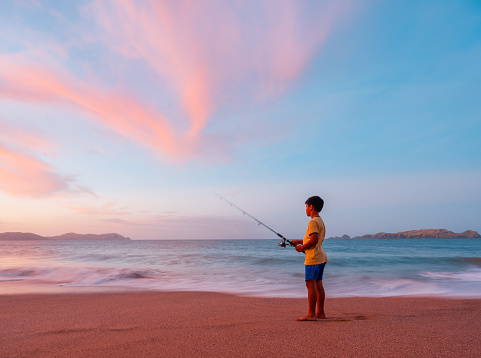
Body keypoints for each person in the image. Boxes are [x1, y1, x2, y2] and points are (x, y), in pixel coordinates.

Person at [291, 196, 327, 321]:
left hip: (313, 257)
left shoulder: (312, 222)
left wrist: (302, 248)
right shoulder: (320, 221)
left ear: (311, 207)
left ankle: (311, 314)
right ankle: (320, 312)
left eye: (306, 206)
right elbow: (313, 239)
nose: (305, 209)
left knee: (309, 284)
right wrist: (299, 241)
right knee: (318, 284)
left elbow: (314, 239)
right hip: (321, 256)